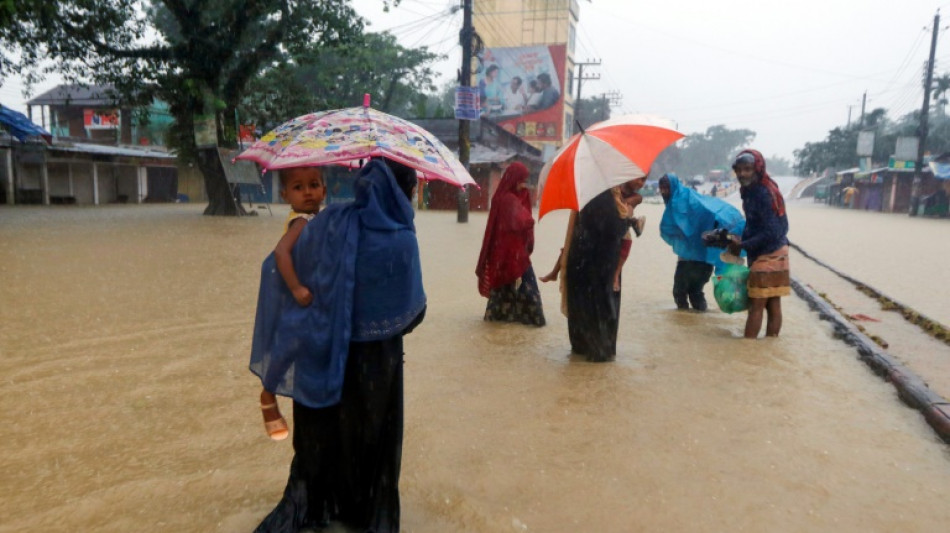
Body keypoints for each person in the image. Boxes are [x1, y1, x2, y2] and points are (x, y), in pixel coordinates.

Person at [253, 158, 426, 532]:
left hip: (322, 352)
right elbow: (413, 315)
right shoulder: (401, 238)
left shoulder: (328, 223)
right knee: (372, 441)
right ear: (401, 192)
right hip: (377, 367)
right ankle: (365, 514)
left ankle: (315, 509)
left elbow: (281, 271)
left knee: (323, 437)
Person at [253, 167, 326, 441]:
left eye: (314, 184)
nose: (307, 192)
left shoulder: (319, 218)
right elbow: (281, 252)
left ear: (324, 191)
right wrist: (295, 287)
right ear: (285, 195)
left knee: (296, 343)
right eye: (298, 187)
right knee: (289, 343)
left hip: (308, 292)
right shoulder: (302, 221)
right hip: (296, 293)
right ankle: (268, 392)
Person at [541, 178, 645, 362]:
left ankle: (581, 363)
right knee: (600, 323)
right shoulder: (604, 197)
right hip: (598, 268)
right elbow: (613, 230)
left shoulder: (588, 194)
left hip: (580, 263)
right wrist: (628, 212)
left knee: (581, 322)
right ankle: (597, 361)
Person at [658, 173, 745, 311]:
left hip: (698, 256)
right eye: (661, 188)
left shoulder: (684, 199)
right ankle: (694, 325)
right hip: (696, 256)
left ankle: (686, 324)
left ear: (673, 186)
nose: (664, 191)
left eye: (666, 188)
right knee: (691, 293)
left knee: (684, 292)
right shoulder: (681, 199)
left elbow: (709, 211)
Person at [727, 150, 790, 339]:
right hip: (775, 250)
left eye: (747, 169)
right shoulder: (751, 191)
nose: (742, 174)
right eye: (739, 170)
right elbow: (755, 223)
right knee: (772, 302)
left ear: (758, 169)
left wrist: (743, 244)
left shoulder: (763, 193)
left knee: (756, 305)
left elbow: (772, 231)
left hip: (769, 253)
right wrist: (740, 238)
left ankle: (748, 348)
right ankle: (769, 345)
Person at [476, 162, 545, 326]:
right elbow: (523, 221)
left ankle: (499, 323)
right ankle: (527, 322)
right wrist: (529, 220)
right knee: (530, 298)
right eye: (522, 180)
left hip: (502, 256)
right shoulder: (508, 199)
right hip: (514, 257)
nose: (524, 185)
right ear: (514, 180)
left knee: (501, 296)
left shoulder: (502, 197)